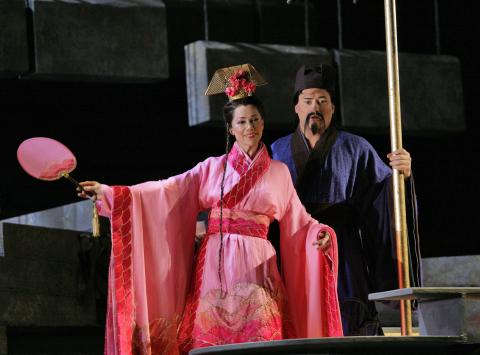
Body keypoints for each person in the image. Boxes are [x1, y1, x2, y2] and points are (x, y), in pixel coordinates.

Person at [78, 63, 343, 355]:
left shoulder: (278, 172)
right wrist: (111, 193)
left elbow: (299, 220)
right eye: (241, 122)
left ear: (263, 123)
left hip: (258, 264)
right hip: (216, 264)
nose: (249, 128)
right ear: (230, 128)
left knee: (262, 337)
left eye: (254, 120)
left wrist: (320, 233)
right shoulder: (211, 168)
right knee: (211, 340)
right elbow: (167, 190)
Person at [271, 64, 421, 336]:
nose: (315, 107)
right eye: (307, 101)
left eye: (322, 100)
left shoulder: (356, 147)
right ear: (296, 108)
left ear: (333, 108)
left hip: (343, 250)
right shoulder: (277, 150)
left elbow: (383, 193)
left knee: (348, 321)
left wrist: (402, 176)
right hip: (294, 246)